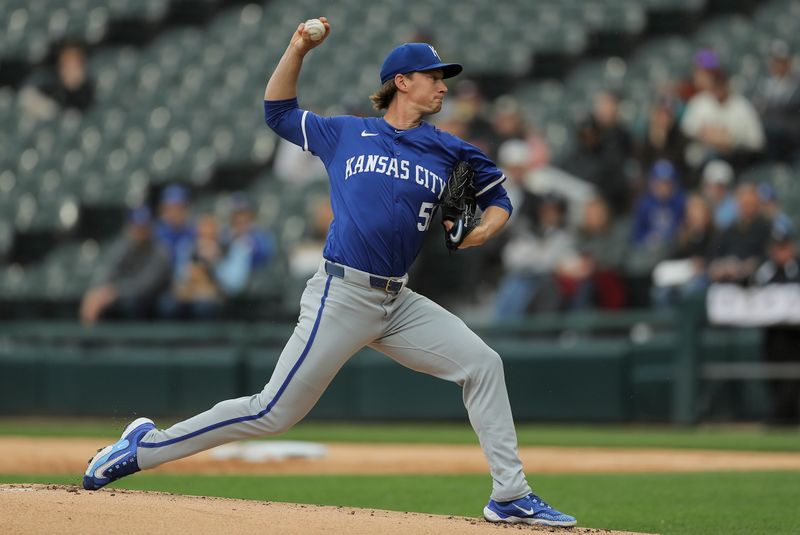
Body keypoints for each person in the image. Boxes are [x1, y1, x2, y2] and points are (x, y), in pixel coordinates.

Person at [81, 19, 577, 527]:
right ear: (401, 82)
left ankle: (510, 494)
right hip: (342, 294)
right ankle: (143, 448)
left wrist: (482, 232)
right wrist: (297, 49)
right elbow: (277, 112)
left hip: (398, 302)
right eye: (433, 76)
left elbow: (498, 198)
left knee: (482, 364)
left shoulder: (449, 150)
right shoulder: (345, 132)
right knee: (270, 412)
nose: (443, 85)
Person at [79, 206, 170, 325]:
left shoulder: (160, 252)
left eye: (144, 226)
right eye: (137, 226)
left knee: (131, 303)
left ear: (151, 228)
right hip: (123, 296)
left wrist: (113, 291)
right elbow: (107, 270)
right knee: (98, 299)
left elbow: (145, 286)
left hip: (153, 300)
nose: (140, 231)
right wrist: (97, 292)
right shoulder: (123, 247)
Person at [750, 227, 800, 426]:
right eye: (776, 248)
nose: (780, 252)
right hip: (773, 334)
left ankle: (787, 416)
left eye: (784, 247)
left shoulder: (796, 268)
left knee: (794, 373)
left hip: (796, 335)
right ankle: (781, 415)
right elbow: (751, 290)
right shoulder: (764, 271)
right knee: (773, 372)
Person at [680, 69, 765, 171]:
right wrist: (706, 136)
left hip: (736, 159)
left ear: (727, 85)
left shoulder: (741, 105)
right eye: (716, 85)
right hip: (704, 155)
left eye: (721, 85)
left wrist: (732, 141)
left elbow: (757, 140)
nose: (719, 89)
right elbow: (685, 129)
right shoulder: (700, 102)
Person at [707, 183, 772, 284]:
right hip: (729, 282)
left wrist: (753, 264)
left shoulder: (767, 227)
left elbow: (772, 256)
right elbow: (714, 257)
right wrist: (722, 267)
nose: (747, 204)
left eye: (750, 202)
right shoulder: (728, 230)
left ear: (757, 201)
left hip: (758, 283)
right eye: (743, 201)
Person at [751, 41, 800, 162]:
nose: (779, 65)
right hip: (770, 139)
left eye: (782, 61)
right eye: (776, 61)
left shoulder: (796, 83)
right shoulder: (764, 84)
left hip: (792, 136)